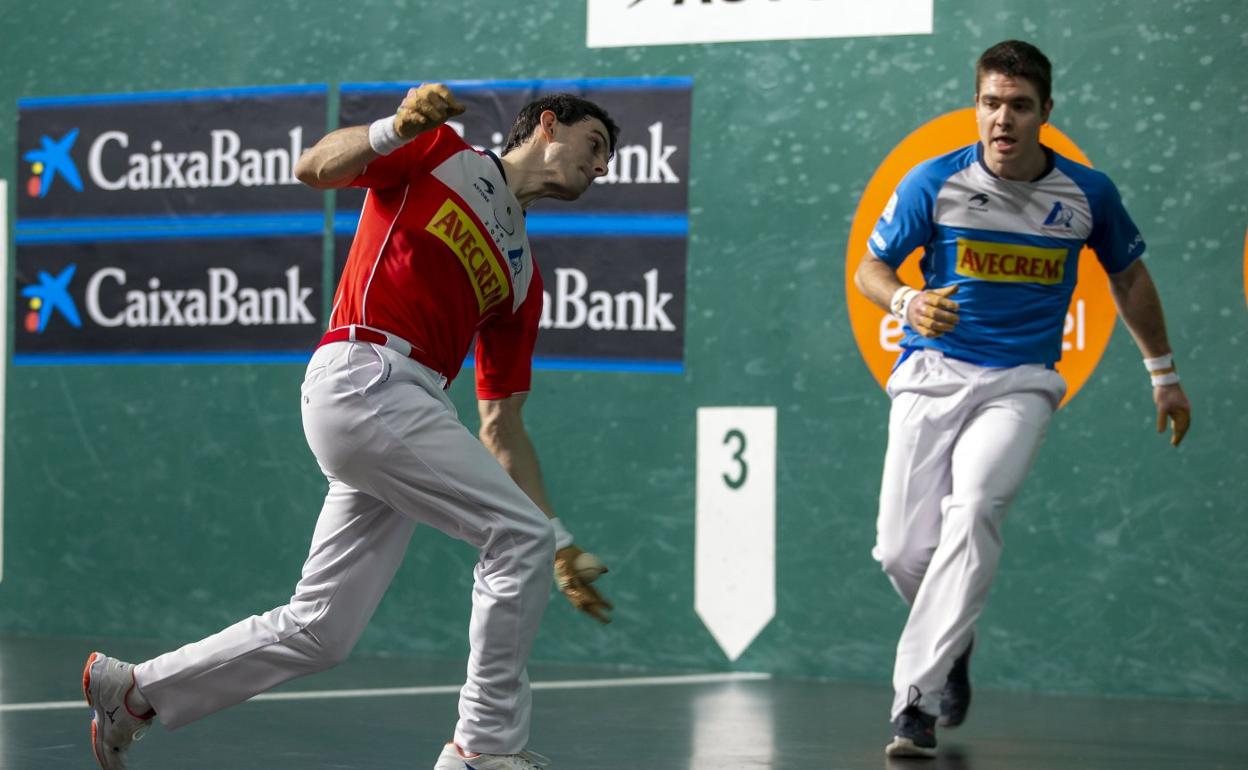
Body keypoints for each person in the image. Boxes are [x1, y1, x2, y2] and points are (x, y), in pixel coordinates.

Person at [82, 84, 619, 770]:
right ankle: (484, 748)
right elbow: (315, 168)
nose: (600, 166)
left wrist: (562, 543)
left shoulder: (522, 279)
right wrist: (393, 128)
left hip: (406, 408)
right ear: (548, 124)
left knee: (322, 630)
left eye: (606, 160)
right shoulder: (439, 153)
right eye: (594, 145)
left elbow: (501, 422)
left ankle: (132, 692)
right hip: (366, 373)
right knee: (515, 536)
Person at [852, 40, 1191, 758]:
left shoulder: (1086, 194)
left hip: (1020, 384)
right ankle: (955, 645)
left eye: (1018, 106)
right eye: (990, 103)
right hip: (931, 374)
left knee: (973, 511)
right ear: (976, 105)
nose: (1002, 119)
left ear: (1045, 113)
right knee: (899, 550)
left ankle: (914, 704)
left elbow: (1129, 278)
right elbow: (871, 269)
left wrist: (1162, 372)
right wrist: (908, 301)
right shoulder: (932, 182)